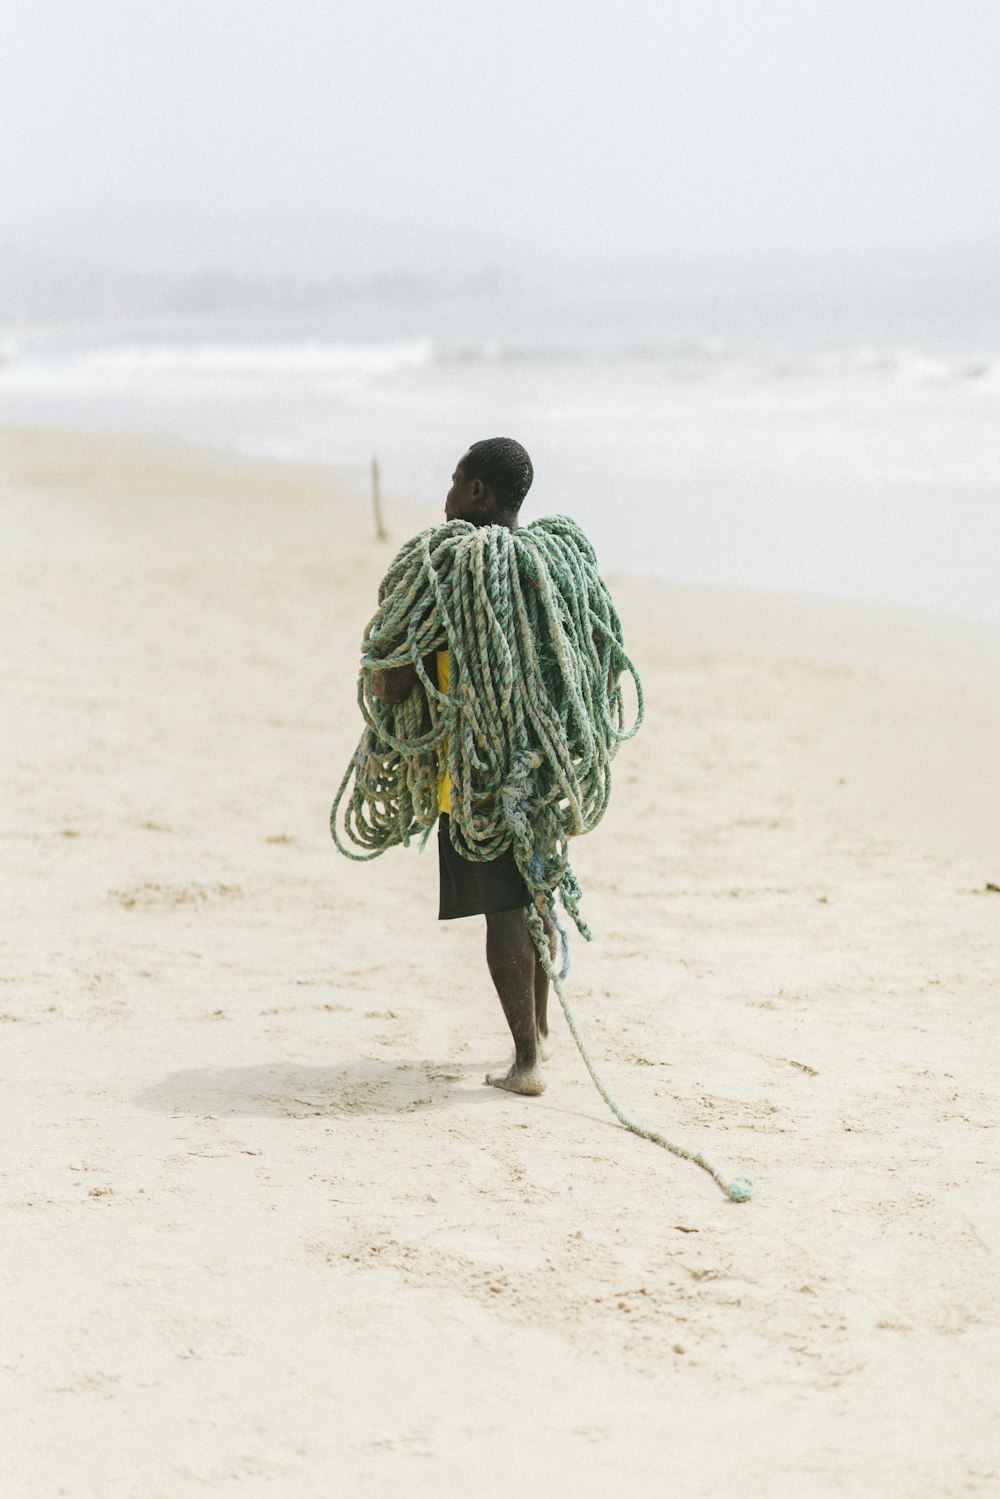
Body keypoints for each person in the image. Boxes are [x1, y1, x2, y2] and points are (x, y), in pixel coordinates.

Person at [370, 437, 557, 1097]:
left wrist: (387, 668)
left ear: (479, 492)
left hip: (476, 776)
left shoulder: (450, 572)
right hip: (541, 766)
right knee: (537, 894)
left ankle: (527, 1060)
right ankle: (540, 1030)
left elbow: (393, 685)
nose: (447, 497)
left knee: (502, 911)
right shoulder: (548, 571)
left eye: (455, 483)